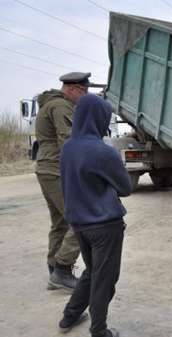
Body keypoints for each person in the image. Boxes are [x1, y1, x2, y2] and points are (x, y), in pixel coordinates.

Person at [58, 94, 132, 337]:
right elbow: (125, 188)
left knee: (92, 272)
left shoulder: (67, 148)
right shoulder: (103, 151)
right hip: (105, 226)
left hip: (79, 225)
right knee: (105, 279)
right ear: (100, 119)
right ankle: (99, 330)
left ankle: (70, 315)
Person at [35, 72, 98, 291]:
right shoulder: (61, 107)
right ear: (72, 89)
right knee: (79, 218)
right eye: (84, 92)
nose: (85, 96)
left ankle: (55, 270)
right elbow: (69, 142)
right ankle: (62, 269)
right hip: (56, 170)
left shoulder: (50, 104)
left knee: (60, 222)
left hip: (47, 168)